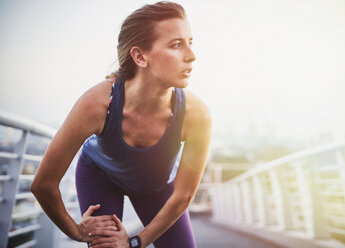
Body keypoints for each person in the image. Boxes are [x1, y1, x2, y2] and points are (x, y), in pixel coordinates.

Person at [30, 1, 212, 247]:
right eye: (176, 45)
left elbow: (183, 196)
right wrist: (76, 231)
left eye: (190, 42)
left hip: (155, 186)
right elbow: (43, 184)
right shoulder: (96, 104)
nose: (192, 55)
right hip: (99, 177)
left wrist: (135, 242)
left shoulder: (197, 115)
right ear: (139, 56)